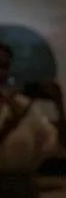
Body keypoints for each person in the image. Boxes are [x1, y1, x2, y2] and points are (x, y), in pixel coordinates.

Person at [0, 42, 60, 173]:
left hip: (19, 182)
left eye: (4, 66)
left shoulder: (24, 105)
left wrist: (30, 165)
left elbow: (51, 139)